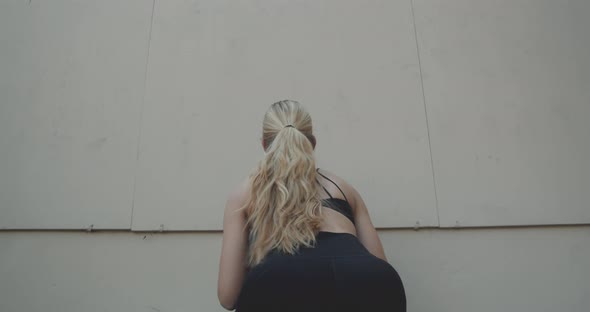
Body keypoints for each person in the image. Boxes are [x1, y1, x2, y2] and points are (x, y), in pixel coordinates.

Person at [217, 100, 406, 312]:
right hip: (372, 281)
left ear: (264, 144)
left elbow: (228, 296)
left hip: (282, 282)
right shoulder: (342, 188)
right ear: (312, 143)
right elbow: (378, 260)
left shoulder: (245, 193)